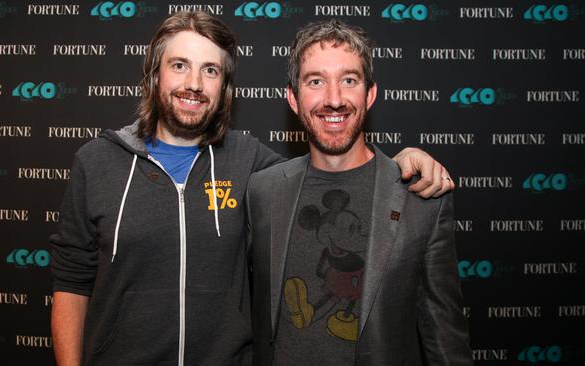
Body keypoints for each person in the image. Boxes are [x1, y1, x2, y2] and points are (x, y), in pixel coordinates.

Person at [50, 12, 456, 366]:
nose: (194, 83)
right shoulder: (97, 161)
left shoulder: (251, 165)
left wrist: (405, 160)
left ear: (224, 86)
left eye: (210, 70)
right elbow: (71, 281)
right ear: (155, 74)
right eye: (179, 66)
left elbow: (335, 168)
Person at [246, 19, 472, 366]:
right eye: (316, 81)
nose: (334, 99)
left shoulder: (421, 196)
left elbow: (444, 339)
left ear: (370, 94)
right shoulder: (261, 192)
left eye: (348, 80)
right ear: (293, 98)